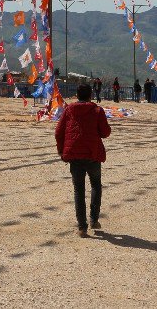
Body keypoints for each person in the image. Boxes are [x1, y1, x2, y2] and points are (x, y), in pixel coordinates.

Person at [55, 83, 111, 237]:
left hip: (74, 155)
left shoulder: (69, 110)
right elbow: (105, 132)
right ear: (91, 95)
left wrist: (61, 149)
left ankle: (82, 227)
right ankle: (93, 219)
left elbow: (58, 132)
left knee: (79, 190)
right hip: (93, 154)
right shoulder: (97, 110)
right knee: (96, 185)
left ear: (77, 95)